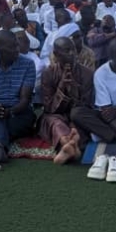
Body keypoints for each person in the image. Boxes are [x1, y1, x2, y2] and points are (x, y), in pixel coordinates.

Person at [0, 30, 36, 163]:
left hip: (19, 112)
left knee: (6, 123)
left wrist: (8, 112)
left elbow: (25, 100)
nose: (17, 49)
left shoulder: (28, 64)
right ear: (0, 48)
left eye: (17, 45)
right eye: (12, 47)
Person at [40, 36, 95, 164]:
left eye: (73, 50)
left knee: (77, 125)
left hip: (77, 116)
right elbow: (48, 107)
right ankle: (68, 143)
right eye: (67, 51)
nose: (72, 54)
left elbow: (87, 105)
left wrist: (74, 90)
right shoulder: (48, 73)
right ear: (56, 54)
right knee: (55, 123)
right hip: (56, 115)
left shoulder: (87, 73)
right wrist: (62, 87)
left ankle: (68, 146)